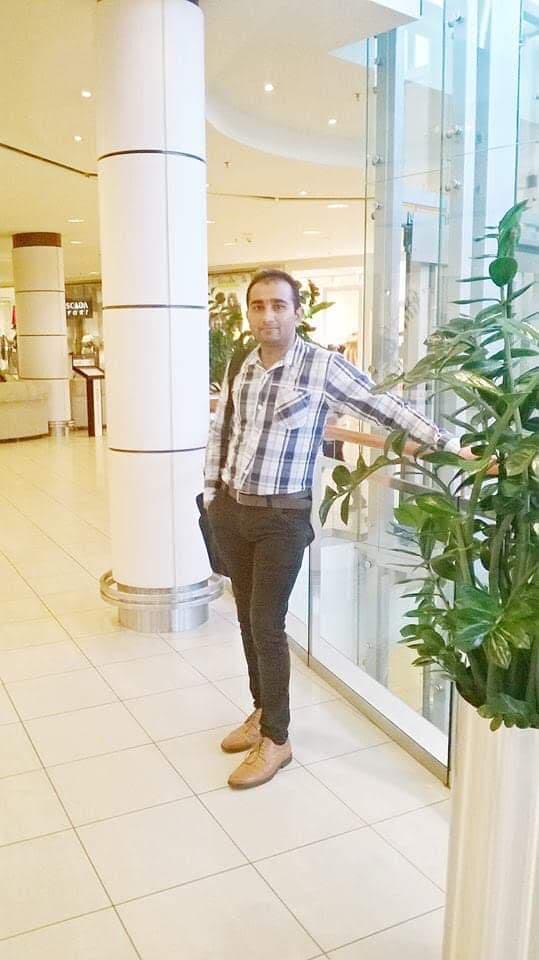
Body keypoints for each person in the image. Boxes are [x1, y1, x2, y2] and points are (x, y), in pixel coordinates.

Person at [204, 268, 471, 790]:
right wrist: (213, 496)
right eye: (258, 306)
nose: (267, 315)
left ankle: (277, 739)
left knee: (267, 623)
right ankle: (261, 710)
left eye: (278, 305)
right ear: (249, 312)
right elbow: (223, 432)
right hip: (234, 510)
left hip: (283, 517)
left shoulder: (322, 366)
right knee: (245, 619)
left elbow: (385, 407)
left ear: (297, 312)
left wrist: (446, 444)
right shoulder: (242, 363)